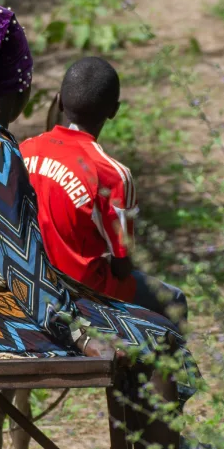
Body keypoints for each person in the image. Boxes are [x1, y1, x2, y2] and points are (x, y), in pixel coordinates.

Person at [0, 0, 199, 449]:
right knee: (160, 336)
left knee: (128, 325)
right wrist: (80, 336)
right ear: (23, 84)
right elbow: (22, 270)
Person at [20, 57, 188, 324]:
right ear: (113, 111)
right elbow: (122, 267)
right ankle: (159, 365)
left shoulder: (24, 150)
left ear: (60, 100)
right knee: (175, 299)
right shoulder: (113, 175)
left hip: (30, 281)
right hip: (86, 294)